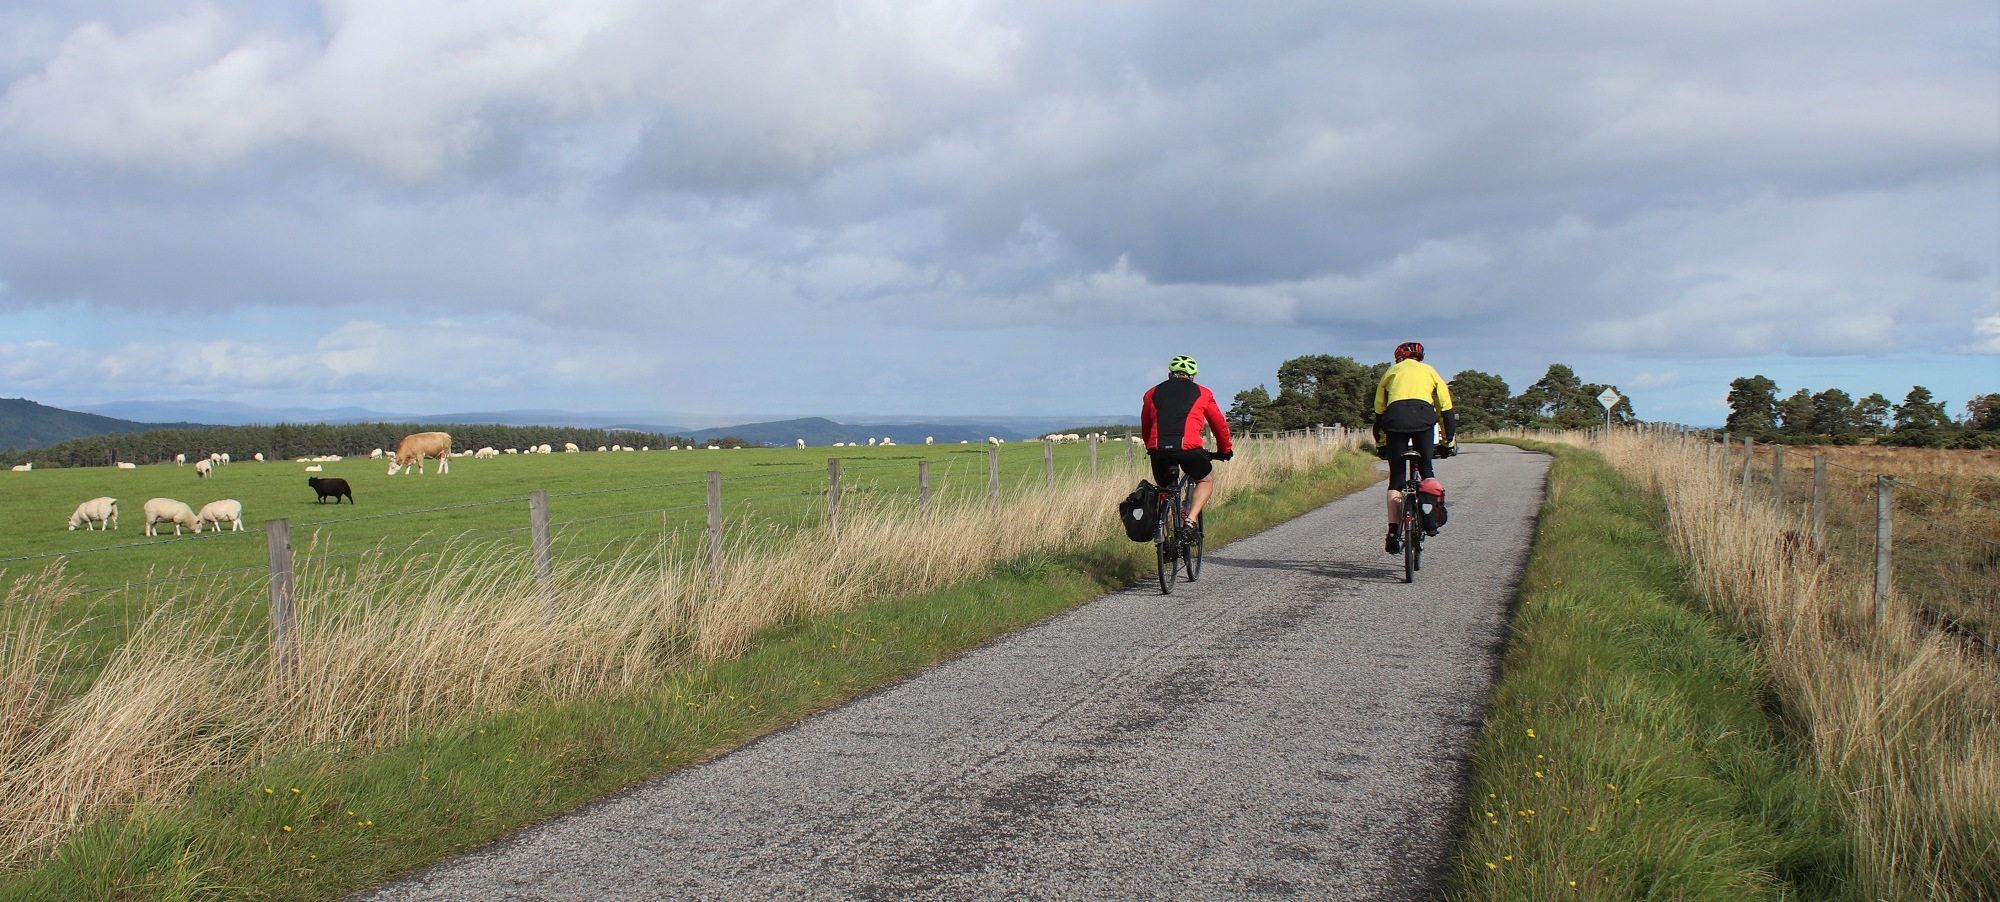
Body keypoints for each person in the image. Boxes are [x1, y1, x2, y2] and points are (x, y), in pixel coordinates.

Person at [1373, 341, 1456, 554]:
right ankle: (1429, 520)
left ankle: (1392, 532)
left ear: (1399, 357)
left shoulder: (1391, 372)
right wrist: (1448, 443)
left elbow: (1379, 412)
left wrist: (1381, 444)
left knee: (1397, 479)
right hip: (1423, 420)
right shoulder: (1429, 371)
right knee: (1427, 469)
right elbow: (1445, 408)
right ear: (1420, 357)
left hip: (1395, 422)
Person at [1141, 355, 1234, 531]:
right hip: (1189, 449)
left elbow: (1146, 425)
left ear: (1170, 375)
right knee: (1206, 479)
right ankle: (1191, 520)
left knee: (1165, 489)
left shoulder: (1151, 393)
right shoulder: (1203, 392)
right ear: (1192, 377)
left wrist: (1150, 446)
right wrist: (1224, 450)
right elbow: (1219, 424)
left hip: (1158, 451)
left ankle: (1164, 536)